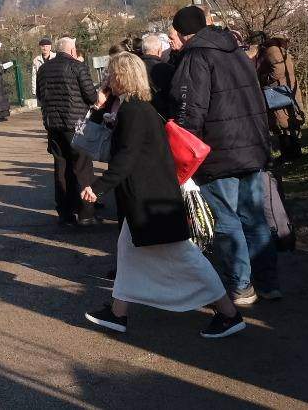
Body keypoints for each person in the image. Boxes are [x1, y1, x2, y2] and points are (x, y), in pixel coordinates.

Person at [79, 56, 246, 340]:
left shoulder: (133, 111)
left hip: (151, 200)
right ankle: (118, 314)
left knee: (185, 256)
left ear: (121, 76)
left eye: (110, 74)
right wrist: (101, 108)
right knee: (128, 252)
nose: (107, 79)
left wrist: (98, 186)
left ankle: (229, 314)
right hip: (151, 197)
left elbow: (126, 157)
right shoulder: (139, 107)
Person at [170, 5, 278, 306]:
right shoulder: (236, 51)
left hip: (219, 152)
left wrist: (183, 146)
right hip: (252, 146)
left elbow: (190, 109)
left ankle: (241, 286)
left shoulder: (196, 57)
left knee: (227, 219)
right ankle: (269, 282)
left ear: (183, 33)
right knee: (255, 217)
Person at [36, 37, 100, 227]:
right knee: (82, 167)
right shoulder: (77, 67)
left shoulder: (43, 69)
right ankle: (86, 213)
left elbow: (40, 95)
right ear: (72, 50)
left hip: (53, 125)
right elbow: (91, 96)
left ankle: (65, 212)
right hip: (77, 124)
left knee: (61, 167)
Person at [257, 37, 304, 163]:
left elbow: (278, 70)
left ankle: (290, 153)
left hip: (279, 90)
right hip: (284, 89)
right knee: (287, 121)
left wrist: (264, 78)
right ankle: (292, 152)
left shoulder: (272, 50)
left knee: (283, 122)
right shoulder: (276, 49)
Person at [137, 33, 177, 120]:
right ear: (159, 51)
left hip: (138, 114)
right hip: (162, 115)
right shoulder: (168, 69)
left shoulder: (133, 68)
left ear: (143, 50)